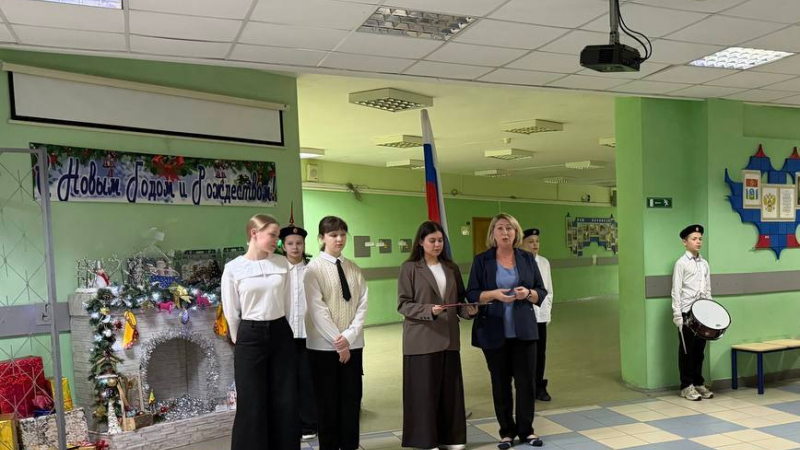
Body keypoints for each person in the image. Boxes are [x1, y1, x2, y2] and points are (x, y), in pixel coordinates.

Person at [467, 213, 547, 449]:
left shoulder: (527, 258)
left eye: (510, 228)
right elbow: (472, 293)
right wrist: (493, 294)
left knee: (526, 383)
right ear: (493, 233)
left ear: (516, 233)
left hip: (524, 331)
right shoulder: (482, 260)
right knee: (500, 384)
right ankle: (506, 433)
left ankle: (527, 431)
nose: (505, 232)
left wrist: (528, 294)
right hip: (493, 330)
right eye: (500, 228)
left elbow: (541, 291)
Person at [397, 221, 478, 450]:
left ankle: (451, 438)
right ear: (421, 242)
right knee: (423, 394)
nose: (437, 244)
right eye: (432, 240)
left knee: (450, 392)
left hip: (449, 339)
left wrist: (469, 311)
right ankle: (425, 440)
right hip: (421, 339)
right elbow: (403, 304)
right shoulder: (409, 268)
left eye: (440, 240)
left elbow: (459, 300)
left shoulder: (451, 268)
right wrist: (428, 310)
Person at [221, 214, 298, 449]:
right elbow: (231, 311)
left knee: (284, 398)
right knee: (251, 400)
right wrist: (241, 338)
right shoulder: (233, 268)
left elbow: (288, 302)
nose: (277, 240)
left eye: (278, 236)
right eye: (272, 235)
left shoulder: (282, 263)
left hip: (280, 332)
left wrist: (283, 331)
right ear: (254, 234)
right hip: (250, 334)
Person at [304, 216, 368, 450]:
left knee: (351, 400)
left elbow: (362, 305)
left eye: (342, 234)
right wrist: (338, 341)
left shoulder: (354, 268)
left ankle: (350, 446)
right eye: (333, 235)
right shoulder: (313, 269)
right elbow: (317, 309)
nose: (339, 239)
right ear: (322, 238)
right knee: (327, 402)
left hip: (353, 345)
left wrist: (349, 337)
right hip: (323, 348)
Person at [279, 217, 318, 441]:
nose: (295, 247)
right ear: (283, 246)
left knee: (307, 381)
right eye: (290, 243)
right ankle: (287, 424)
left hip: (308, 334)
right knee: (286, 381)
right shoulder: (277, 270)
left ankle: (308, 424)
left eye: (299, 243)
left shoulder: (312, 270)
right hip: (283, 335)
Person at [672, 224, 714, 401]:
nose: (698, 242)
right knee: (687, 351)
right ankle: (686, 386)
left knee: (699, 350)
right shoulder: (681, 263)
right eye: (694, 239)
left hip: (702, 313)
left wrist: (710, 311)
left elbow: (708, 289)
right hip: (687, 312)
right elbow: (676, 290)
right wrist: (677, 315)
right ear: (685, 242)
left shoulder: (704, 264)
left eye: (700, 239)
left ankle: (698, 383)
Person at [521, 228, 553, 402]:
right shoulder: (518, 262)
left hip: (541, 316)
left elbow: (549, 290)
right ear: (522, 244)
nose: (535, 245)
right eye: (531, 242)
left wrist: (547, 312)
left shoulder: (544, 262)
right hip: (525, 316)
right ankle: (527, 387)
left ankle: (539, 386)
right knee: (526, 354)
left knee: (540, 353)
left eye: (537, 241)